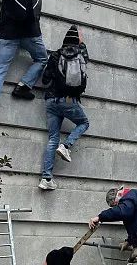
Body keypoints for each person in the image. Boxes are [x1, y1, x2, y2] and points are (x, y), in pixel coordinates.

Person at [37, 26, 90, 191]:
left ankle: (46, 178)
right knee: (84, 123)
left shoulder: (55, 55)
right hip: (68, 100)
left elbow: (45, 80)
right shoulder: (80, 55)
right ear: (77, 42)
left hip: (51, 100)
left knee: (53, 138)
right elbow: (85, 60)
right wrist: (81, 43)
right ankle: (66, 146)